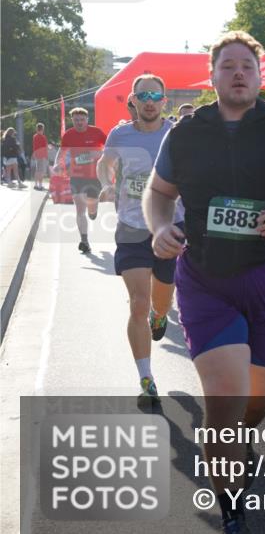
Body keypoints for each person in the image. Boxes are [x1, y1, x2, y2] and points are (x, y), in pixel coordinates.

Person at [144, 30, 265, 534]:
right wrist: (160, 227)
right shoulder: (186, 132)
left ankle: (240, 439)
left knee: (258, 401)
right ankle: (231, 502)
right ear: (212, 76)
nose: (237, 74)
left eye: (247, 67)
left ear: (259, 76)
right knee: (223, 403)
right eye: (227, 66)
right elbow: (158, 193)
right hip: (207, 279)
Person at [96, 73, 184, 402]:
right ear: (133, 100)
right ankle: (145, 377)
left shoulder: (177, 133)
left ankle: (160, 315)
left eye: (155, 96)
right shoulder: (120, 134)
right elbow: (104, 165)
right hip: (132, 227)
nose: (149, 101)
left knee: (161, 302)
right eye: (142, 95)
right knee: (137, 304)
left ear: (164, 101)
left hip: (171, 226)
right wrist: (107, 182)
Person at [55, 108, 107, 254]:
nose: (79, 122)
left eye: (82, 120)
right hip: (76, 176)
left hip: (95, 175)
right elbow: (62, 151)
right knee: (79, 208)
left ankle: (93, 211)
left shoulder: (96, 132)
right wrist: (58, 164)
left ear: (87, 119)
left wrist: (98, 153)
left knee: (92, 205)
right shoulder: (69, 135)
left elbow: (110, 147)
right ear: (73, 120)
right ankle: (84, 241)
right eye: (76, 120)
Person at [32, 123, 48, 190]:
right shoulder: (43, 137)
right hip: (42, 155)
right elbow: (45, 147)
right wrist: (46, 156)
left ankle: (36, 184)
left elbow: (35, 146)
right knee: (41, 171)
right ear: (42, 129)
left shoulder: (35, 136)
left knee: (37, 170)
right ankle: (40, 185)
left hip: (36, 154)